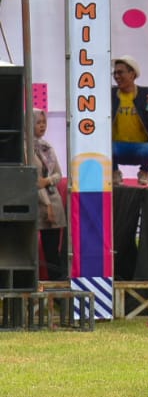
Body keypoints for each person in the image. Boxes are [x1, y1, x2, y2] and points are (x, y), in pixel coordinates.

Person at [110, 55, 148, 185]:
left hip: (140, 148)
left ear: (132, 74)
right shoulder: (110, 94)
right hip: (117, 147)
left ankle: (144, 172)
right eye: (115, 73)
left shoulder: (146, 94)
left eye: (120, 72)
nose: (116, 76)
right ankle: (114, 172)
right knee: (105, 148)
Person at [33, 108, 66, 281]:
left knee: (53, 252)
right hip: (36, 204)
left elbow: (58, 174)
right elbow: (33, 181)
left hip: (53, 201)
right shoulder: (23, 147)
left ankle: (58, 294)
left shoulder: (47, 146)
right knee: (29, 255)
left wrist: (47, 181)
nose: (42, 126)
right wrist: (46, 205)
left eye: (44, 122)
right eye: (38, 122)